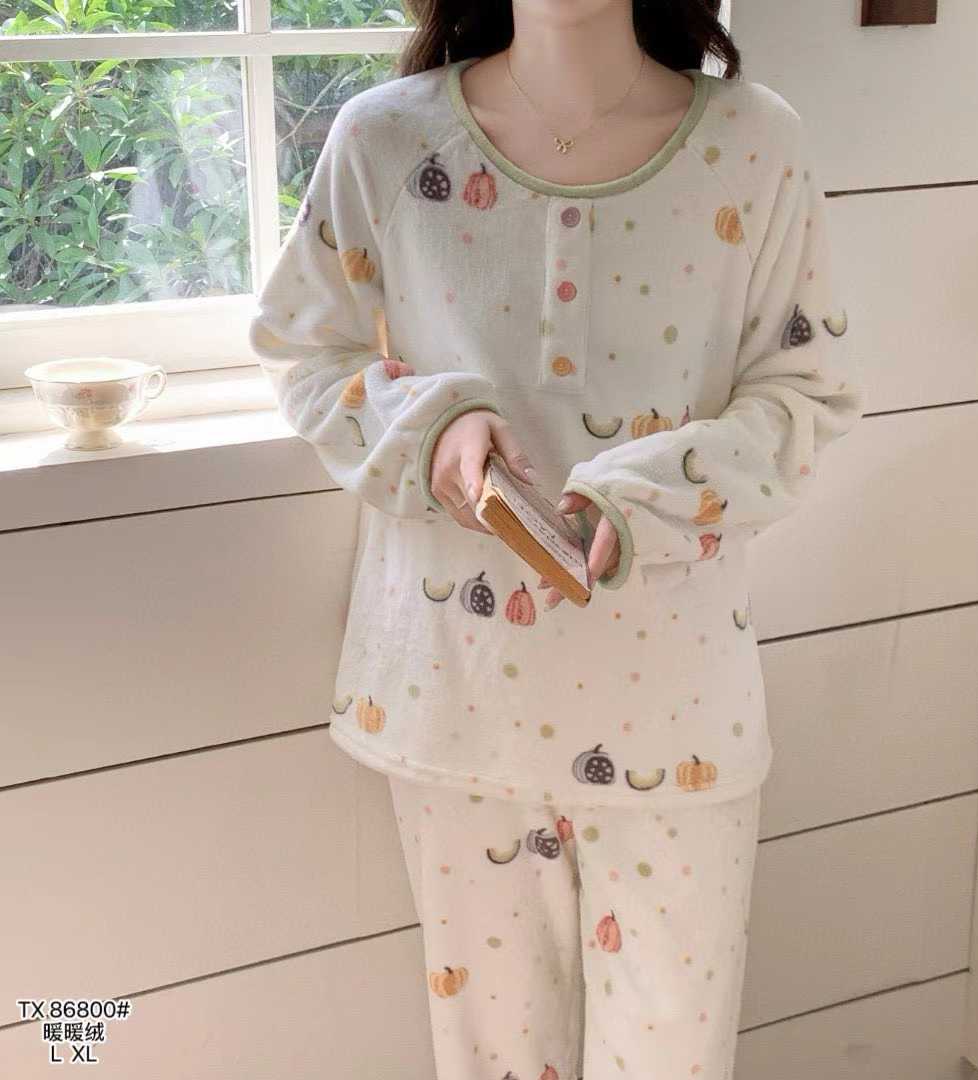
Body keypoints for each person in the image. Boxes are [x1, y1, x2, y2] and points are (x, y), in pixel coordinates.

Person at [248, 2, 867, 1076]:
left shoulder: (754, 142)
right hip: (456, 699)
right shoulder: (384, 138)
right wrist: (433, 427)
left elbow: (805, 394)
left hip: (678, 709)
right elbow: (306, 353)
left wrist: (648, 494)